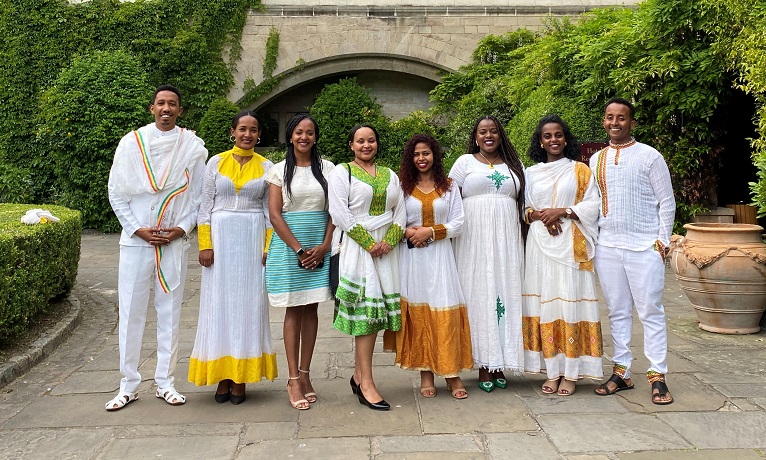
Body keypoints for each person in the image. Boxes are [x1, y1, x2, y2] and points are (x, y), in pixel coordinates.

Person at [106, 84, 207, 411]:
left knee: (170, 312)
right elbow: (116, 193)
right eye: (161, 103)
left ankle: (166, 382)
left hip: (172, 244)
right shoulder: (131, 143)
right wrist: (138, 230)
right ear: (152, 108)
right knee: (131, 313)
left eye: (173, 104)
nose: (166, 108)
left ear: (180, 110)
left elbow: (199, 198)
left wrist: (180, 229)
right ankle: (128, 384)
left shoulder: (191, 147)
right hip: (136, 242)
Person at [187, 110, 277, 405]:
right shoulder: (216, 161)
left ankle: (240, 378)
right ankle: (222, 375)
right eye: (242, 129)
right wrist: (204, 244)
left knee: (249, 305)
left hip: (252, 240)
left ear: (259, 135)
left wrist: (268, 247)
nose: (247, 134)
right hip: (221, 239)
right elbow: (204, 207)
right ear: (233, 131)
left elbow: (270, 212)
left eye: (253, 130)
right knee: (218, 304)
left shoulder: (268, 167)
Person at [590, 97, 675, 405]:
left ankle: (657, 375)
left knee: (651, 311)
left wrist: (662, 243)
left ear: (631, 122)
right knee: (617, 310)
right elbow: (594, 204)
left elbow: (666, 201)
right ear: (604, 121)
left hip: (644, 247)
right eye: (610, 117)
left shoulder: (650, 156)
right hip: (608, 246)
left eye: (621, 118)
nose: (615, 122)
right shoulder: (596, 159)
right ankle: (622, 372)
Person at [521, 114, 603, 397]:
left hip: (570, 244)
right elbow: (524, 209)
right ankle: (551, 372)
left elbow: (593, 205)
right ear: (540, 142)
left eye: (558, 135)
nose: (553, 140)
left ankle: (571, 374)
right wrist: (542, 216)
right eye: (547, 136)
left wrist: (563, 211)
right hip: (540, 244)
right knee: (545, 304)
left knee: (570, 303)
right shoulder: (530, 173)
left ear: (565, 138)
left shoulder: (580, 170)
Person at [388, 133, 472, 399]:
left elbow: (459, 223)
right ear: (409, 159)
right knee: (420, 308)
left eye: (426, 153)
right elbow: (393, 220)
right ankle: (425, 373)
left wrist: (431, 231)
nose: (421, 159)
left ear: (434, 155)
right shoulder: (402, 188)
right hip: (412, 260)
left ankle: (451, 373)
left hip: (441, 259)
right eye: (416, 154)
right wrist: (411, 233)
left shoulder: (448, 186)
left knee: (443, 307)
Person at [328, 124, 406, 411]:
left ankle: (359, 374)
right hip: (357, 248)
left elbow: (401, 212)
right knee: (367, 316)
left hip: (385, 250)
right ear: (351, 145)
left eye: (371, 140)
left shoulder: (390, 174)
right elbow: (338, 211)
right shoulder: (342, 172)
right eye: (360, 141)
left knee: (377, 315)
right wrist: (367, 243)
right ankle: (367, 383)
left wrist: (389, 241)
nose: (366, 145)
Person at [448, 115, 526, 393]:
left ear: (500, 135)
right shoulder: (463, 163)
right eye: (483, 132)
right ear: (476, 136)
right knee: (478, 293)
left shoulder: (515, 166)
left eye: (493, 131)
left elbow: (525, 202)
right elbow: (448, 199)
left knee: (506, 291)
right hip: (473, 239)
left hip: (506, 239)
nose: (488, 135)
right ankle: (483, 362)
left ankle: (500, 362)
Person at [265, 114, 335, 410]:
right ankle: (293, 378)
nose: (304, 137)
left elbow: (336, 210)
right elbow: (275, 213)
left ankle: (306, 374)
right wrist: (299, 250)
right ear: (290, 136)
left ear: (315, 137)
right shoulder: (278, 171)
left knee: (312, 309)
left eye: (309, 133)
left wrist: (324, 247)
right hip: (290, 246)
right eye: (298, 132)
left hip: (320, 243)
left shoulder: (328, 169)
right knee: (293, 310)